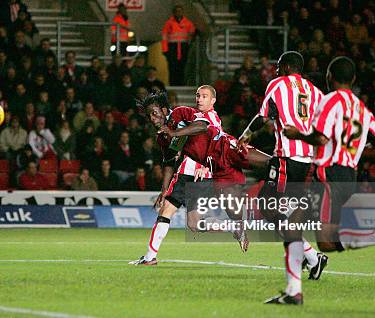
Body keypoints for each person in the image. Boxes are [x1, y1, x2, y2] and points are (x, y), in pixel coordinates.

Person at [284, 56, 375, 303]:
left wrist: (296, 133)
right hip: (348, 175)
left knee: (321, 239)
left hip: (327, 174)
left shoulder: (329, 100)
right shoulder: (362, 108)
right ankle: (294, 292)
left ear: (329, 77)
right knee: (298, 226)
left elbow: (320, 139)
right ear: (353, 79)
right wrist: (356, 155)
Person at [130, 91, 271, 266]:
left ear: (165, 110)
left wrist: (175, 133)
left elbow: (202, 127)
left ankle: (296, 165)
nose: (152, 118)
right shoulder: (162, 137)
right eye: (149, 115)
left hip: (223, 149)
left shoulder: (180, 113)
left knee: (271, 163)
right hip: (209, 166)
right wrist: (164, 189)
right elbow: (168, 161)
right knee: (193, 224)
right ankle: (150, 257)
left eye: (154, 113)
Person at [238, 51, 325, 305]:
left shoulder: (277, 85)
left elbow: (263, 116)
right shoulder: (315, 91)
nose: (275, 71)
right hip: (308, 159)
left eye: (278, 67)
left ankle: (306, 267)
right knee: (280, 210)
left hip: (288, 157)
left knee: (269, 207)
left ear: (287, 67)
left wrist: (246, 135)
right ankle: (311, 258)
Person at [161, 5, 195, 85]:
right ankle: (173, 83)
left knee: (182, 66)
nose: (178, 13)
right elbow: (164, 37)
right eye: (177, 11)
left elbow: (192, 32)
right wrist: (165, 50)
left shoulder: (188, 23)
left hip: (183, 47)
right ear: (174, 13)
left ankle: (181, 83)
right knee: (172, 66)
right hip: (172, 47)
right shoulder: (169, 23)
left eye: (180, 11)